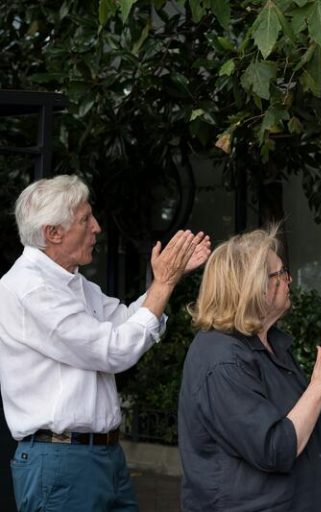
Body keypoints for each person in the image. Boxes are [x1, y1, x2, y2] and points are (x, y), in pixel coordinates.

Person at [0, 174, 211, 511]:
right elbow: (113, 350)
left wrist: (168, 281)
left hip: (99, 456)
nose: (97, 227)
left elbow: (125, 321)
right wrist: (164, 284)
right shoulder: (30, 289)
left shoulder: (72, 283)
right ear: (52, 233)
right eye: (85, 219)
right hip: (62, 462)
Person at [178, 227, 321, 512]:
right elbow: (277, 448)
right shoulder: (222, 359)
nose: (290, 280)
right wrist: (319, 383)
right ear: (253, 286)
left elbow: (302, 423)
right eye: (281, 273)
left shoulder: (270, 342)